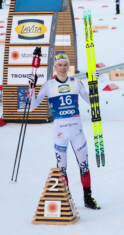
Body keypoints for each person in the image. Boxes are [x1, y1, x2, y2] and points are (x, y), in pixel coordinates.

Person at [30, 53, 100, 210]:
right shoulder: (48, 85)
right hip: (59, 132)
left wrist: (93, 83)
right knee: (62, 167)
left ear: (69, 67)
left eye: (65, 65)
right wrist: (31, 87)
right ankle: (66, 199)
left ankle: (88, 198)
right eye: (59, 65)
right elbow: (32, 105)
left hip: (77, 131)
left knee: (84, 165)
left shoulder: (76, 82)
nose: (62, 68)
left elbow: (92, 102)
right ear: (55, 67)